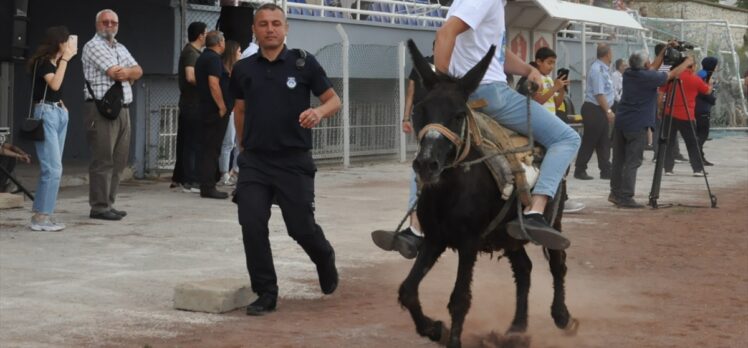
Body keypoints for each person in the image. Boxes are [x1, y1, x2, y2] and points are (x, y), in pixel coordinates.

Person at [432, 0, 581, 250]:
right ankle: (537, 210)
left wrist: (527, 70)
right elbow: (444, 33)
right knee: (567, 138)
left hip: (480, 89)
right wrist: (443, 86)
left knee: (434, 146)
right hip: (491, 94)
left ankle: (414, 227)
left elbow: (496, 52)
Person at [229, 3, 341, 315]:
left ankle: (323, 256)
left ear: (286, 28)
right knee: (251, 222)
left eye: (276, 23)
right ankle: (266, 292)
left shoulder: (304, 64)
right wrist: (243, 149)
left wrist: (318, 112)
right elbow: (240, 110)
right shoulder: (243, 69)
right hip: (255, 162)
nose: (270, 29)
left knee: (300, 228)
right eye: (263, 24)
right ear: (254, 29)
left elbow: (334, 100)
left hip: (294, 161)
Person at [370, 43, 434, 259]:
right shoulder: (422, 65)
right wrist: (406, 116)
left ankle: (421, 229)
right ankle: (415, 228)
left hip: (446, 123)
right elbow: (411, 90)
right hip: (424, 119)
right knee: (420, 169)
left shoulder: (457, 67)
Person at [609, 48, 691, 208]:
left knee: (619, 160)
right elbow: (671, 74)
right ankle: (626, 196)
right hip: (637, 124)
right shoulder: (649, 77)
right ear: (645, 63)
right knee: (633, 160)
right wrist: (687, 63)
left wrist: (663, 52)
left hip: (621, 122)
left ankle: (615, 193)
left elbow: (651, 67)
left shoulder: (628, 73)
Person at [82, 9, 142, 221]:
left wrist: (127, 73)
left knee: (119, 161)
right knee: (103, 159)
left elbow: (138, 70)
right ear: (97, 24)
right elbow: (113, 72)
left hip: (123, 108)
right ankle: (98, 207)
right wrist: (127, 74)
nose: (109, 25)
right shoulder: (92, 46)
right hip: (101, 110)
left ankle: (109, 203)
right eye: (105, 22)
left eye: (113, 22)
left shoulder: (120, 46)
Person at [22, 26, 76, 231]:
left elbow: (55, 90)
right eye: (67, 41)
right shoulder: (43, 62)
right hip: (46, 114)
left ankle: (43, 213)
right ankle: (41, 217)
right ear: (59, 43)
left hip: (57, 112)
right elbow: (53, 84)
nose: (70, 46)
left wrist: (62, 105)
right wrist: (65, 60)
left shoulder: (53, 62)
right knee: (52, 168)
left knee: (54, 167)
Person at [661, 56, 712, 177]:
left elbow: (660, 93)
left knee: (669, 142)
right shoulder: (695, 79)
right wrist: (710, 83)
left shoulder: (672, 78)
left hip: (670, 113)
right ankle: (697, 169)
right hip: (686, 116)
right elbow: (707, 91)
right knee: (692, 143)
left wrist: (660, 109)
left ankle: (668, 168)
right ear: (692, 66)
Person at [195, 30, 230, 199]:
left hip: (205, 108)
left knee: (207, 147)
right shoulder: (214, 59)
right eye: (223, 41)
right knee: (211, 148)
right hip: (213, 110)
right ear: (219, 43)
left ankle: (207, 183)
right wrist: (222, 106)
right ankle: (208, 186)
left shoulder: (203, 57)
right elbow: (214, 84)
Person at [172, 21, 207, 193]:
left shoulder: (193, 51)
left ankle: (184, 178)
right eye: (205, 33)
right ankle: (189, 180)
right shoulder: (191, 53)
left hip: (191, 103)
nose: (206, 36)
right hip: (192, 104)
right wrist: (208, 84)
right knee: (192, 143)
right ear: (200, 35)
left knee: (190, 141)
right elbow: (190, 77)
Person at [575, 44, 614, 181]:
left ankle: (605, 169)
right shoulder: (597, 70)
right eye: (611, 52)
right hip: (594, 108)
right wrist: (608, 110)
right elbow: (599, 94)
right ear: (608, 54)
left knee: (604, 141)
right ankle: (580, 169)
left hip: (600, 109)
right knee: (590, 141)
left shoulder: (604, 69)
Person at [218, 40, 242, 186]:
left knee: (236, 142)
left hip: (236, 108)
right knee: (228, 142)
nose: (241, 54)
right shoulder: (226, 71)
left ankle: (234, 170)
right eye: (239, 51)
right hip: (231, 109)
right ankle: (224, 173)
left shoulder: (237, 69)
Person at [695, 57, 718, 166]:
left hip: (699, 107)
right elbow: (702, 91)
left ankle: (700, 155)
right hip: (702, 108)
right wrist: (712, 99)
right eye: (716, 64)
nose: (717, 67)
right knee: (703, 134)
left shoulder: (701, 73)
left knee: (700, 134)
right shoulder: (705, 75)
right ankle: (697, 156)